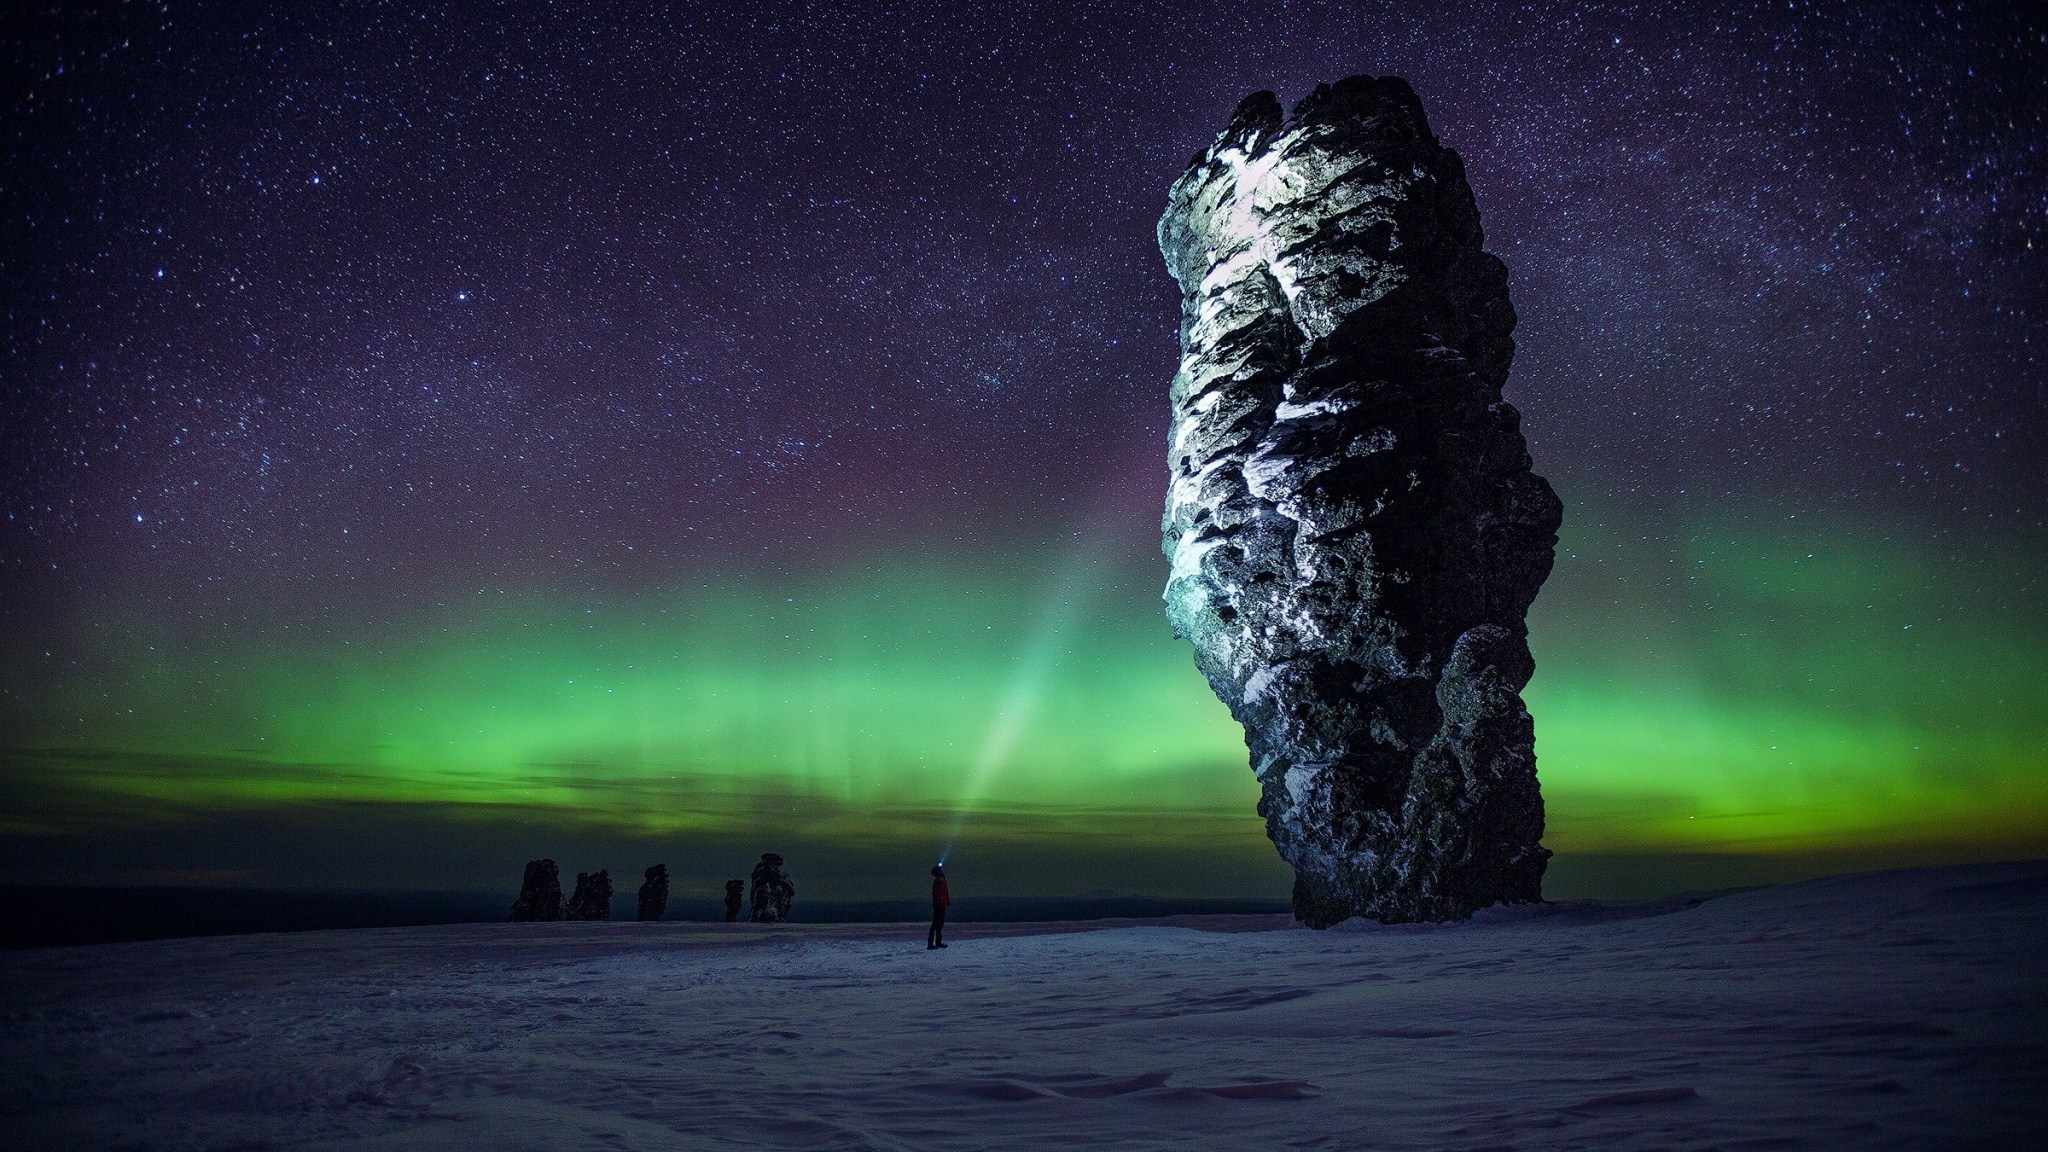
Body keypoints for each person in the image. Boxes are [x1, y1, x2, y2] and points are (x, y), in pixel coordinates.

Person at [927, 864, 950, 949]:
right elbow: (938, 894)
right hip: (939, 904)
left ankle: (937, 942)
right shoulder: (939, 880)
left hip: (941, 903)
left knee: (939, 924)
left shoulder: (941, 880)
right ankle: (931, 943)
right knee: (936, 923)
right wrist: (939, 903)